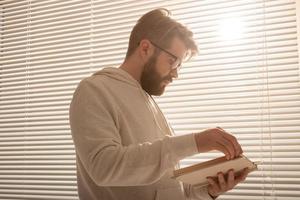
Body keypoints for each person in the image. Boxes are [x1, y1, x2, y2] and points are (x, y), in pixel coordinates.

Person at [69, 8, 250, 200]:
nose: (176, 74)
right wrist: (195, 142)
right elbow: (104, 168)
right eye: (172, 61)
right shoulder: (94, 89)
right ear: (145, 48)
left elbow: (169, 189)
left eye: (179, 65)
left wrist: (209, 190)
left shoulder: (150, 103)